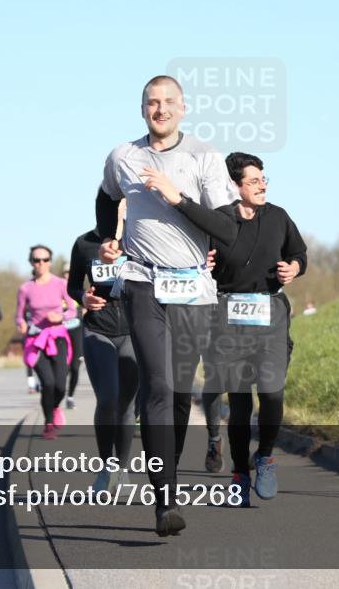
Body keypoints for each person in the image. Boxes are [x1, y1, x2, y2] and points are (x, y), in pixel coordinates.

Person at [96, 75, 238, 536]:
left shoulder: (204, 156)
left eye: (168, 102)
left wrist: (177, 198)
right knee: (157, 384)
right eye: (152, 103)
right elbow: (105, 198)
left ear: (183, 107)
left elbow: (229, 228)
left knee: (178, 392)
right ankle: (165, 503)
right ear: (142, 109)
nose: (160, 110)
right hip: (141, 280)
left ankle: (167, 477)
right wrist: (107, 241)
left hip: (192, 287)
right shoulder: (123, 157)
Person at [202, 152, 306, 506]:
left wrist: (293, 267)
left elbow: (299, 254)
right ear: (235, 186)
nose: (262, 185)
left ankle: (265, 456)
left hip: (271, 314)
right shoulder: (218, 221)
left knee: (273, 392)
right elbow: (199, 262)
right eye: (254, 180)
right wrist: (204, 263)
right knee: (241, 405)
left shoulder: (278, 217)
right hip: (229, 318)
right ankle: (239, 473)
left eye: (264, 179)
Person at [68, 197, 139, 492]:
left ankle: (120, 469)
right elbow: (73, 283)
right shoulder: (85, 243)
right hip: (98, 330)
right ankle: (103, 469)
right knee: (108, 398)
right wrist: (82, 297)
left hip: (133, 332)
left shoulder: (139, 241)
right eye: (112, 206)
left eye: (123, 206)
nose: (118, 212)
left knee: (127, 405)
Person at [16, 245, 77, 439]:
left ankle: (56, 406)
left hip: (57, 338)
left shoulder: (60, 284)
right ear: (31, 263)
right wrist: (21, 325)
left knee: (60, 385)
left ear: (50, 262)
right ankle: (48, 423)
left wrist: (60, 317)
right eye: (36, 260)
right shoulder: (25, 288)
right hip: (36, 342)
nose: (41, 263)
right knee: (48, 383)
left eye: (44, 260)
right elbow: (19, 316)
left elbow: (73, 311)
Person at [61, 264, 84, 410]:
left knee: (75, 367)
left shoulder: (79, 290)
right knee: (63, 367)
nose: (68, 274)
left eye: (70, 271)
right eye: (65, 272)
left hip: (77, 331)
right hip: (60, 332)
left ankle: (70, 396)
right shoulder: (56, 290)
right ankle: (58, 393)